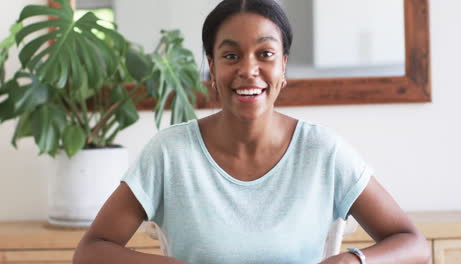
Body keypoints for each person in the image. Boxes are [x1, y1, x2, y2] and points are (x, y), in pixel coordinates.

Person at [73, 0, 430, 263]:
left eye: (265, 54)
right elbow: (90, 252)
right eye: (231, 56)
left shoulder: (323, 151)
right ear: (211, 68)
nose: (249, 69)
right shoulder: (170, 153)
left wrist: (354, 261)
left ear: (283, 66)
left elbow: (414, 245)